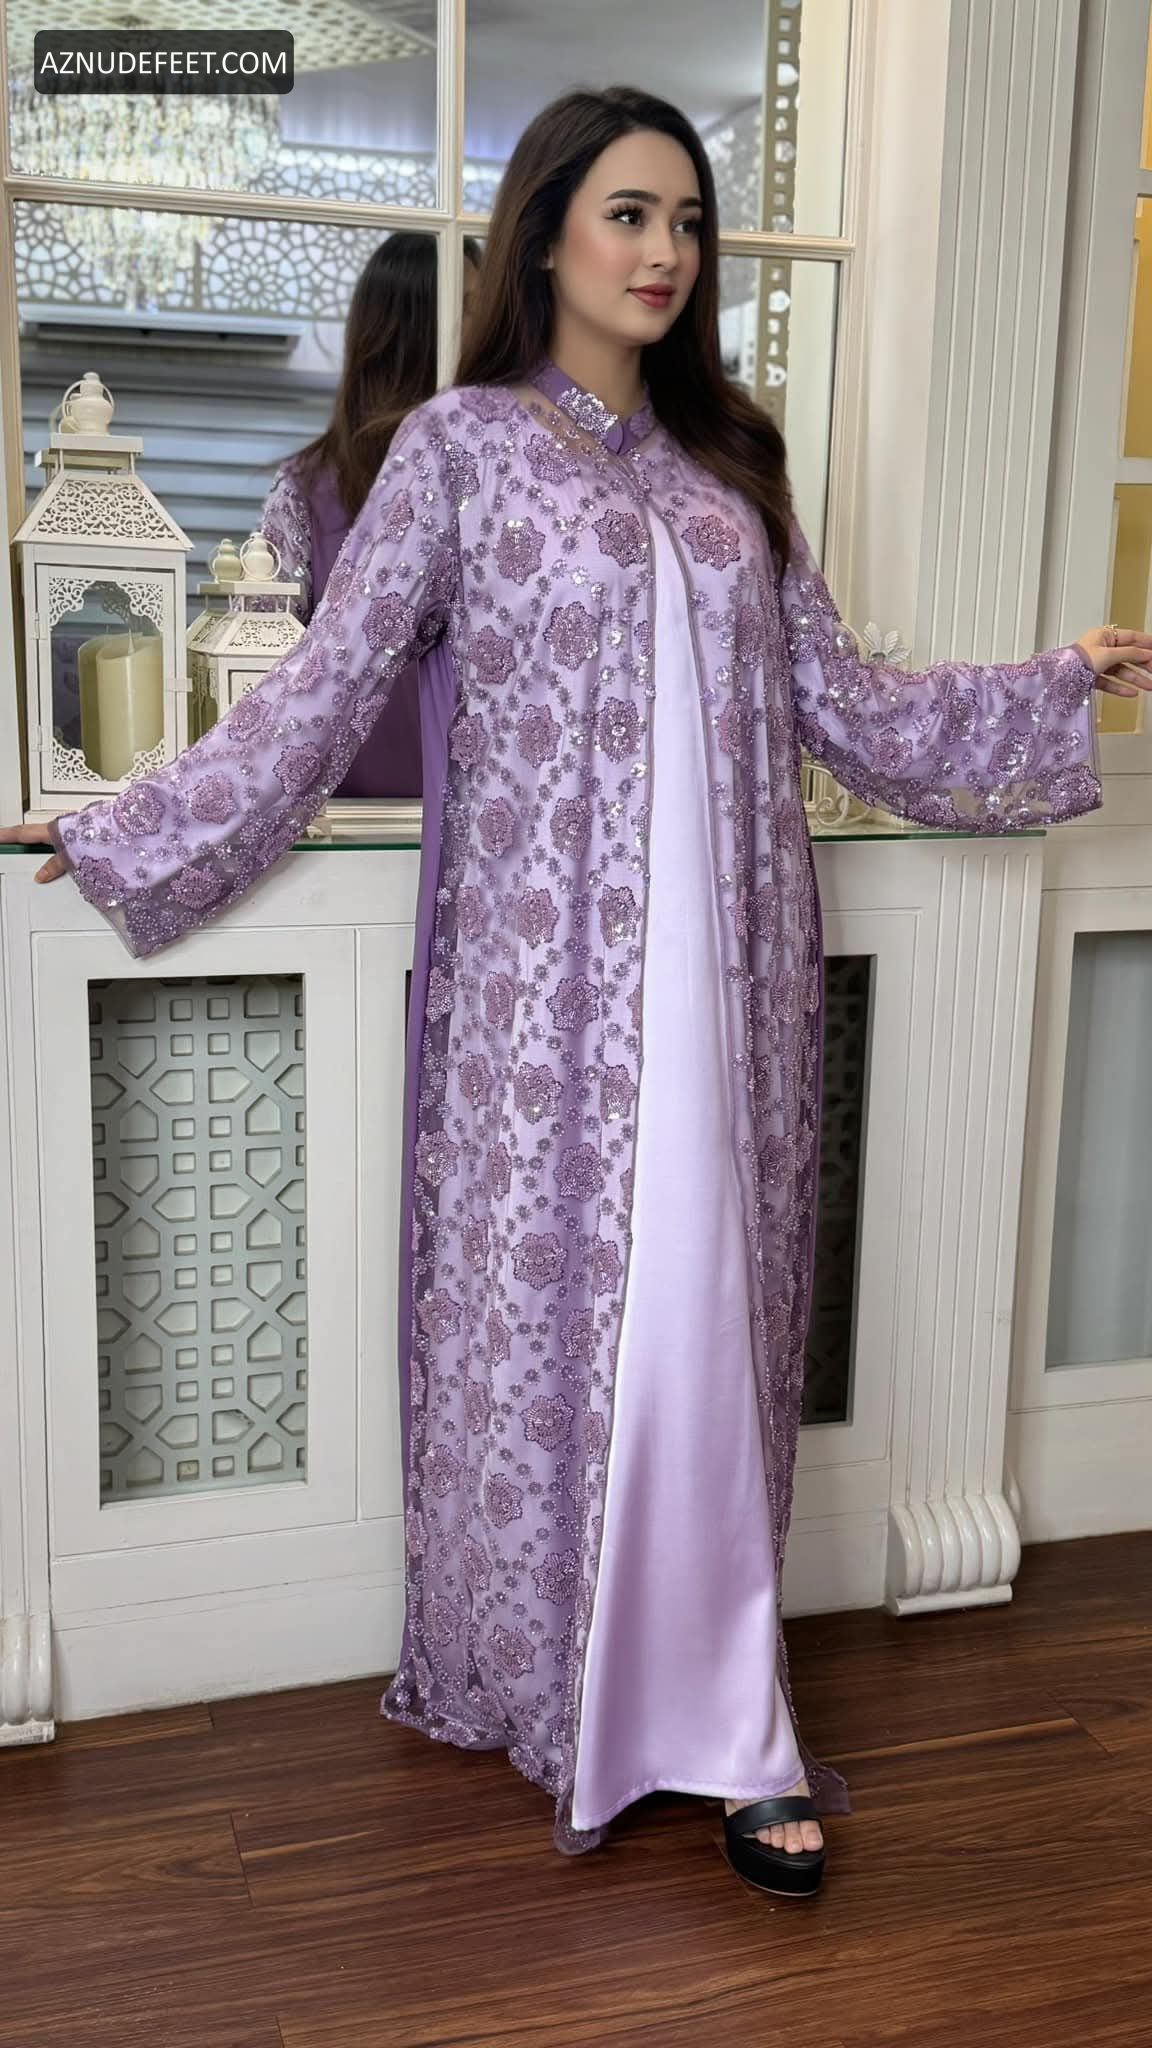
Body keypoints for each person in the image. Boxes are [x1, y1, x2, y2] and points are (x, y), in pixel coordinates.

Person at [7, 85, 1151, 1900]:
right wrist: (126, 821)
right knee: (571, 1338)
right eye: (629, 215)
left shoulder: (730, 470)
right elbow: (324, 688)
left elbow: (847, 706)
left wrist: (1050, 679)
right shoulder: (459, 449)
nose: (664, 253)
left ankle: (734, 1720)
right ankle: (571, 1691)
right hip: (547, 1003)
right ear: (543, 236)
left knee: (710, 1331)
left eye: (686, 223)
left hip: (733, 982)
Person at [259, 230, 482, 798]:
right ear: (416, 331)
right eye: (471, 309)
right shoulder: (306, 495)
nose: (491, 330)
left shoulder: (506, 482)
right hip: (353, 828)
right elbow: (264, 686)